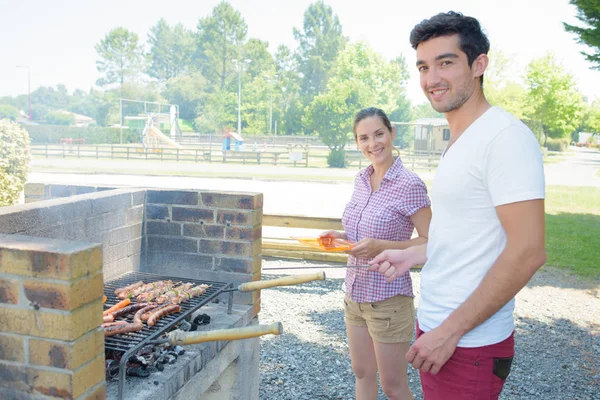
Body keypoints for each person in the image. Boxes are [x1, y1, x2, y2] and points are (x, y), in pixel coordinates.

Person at [369, 12, 546, 400]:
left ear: (479, 64)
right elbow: (467, 234)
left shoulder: (505, 138)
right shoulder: (461, 139)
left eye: (446, 62)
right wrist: (415, 253)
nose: (432, 78)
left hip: (468, 341)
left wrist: (449, 333)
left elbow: (529, 251)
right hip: (439, 328)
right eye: (423, 66)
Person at [321, 107, 432, 400]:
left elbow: (430, 241)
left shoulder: (410, 185)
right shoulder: (360, 178)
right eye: (364, 138)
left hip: (389, 300)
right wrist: (340, 238)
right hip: (355, 296)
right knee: (362, 373)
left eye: (379, 134)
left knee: (394, 387)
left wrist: (382, 246)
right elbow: (362, 235)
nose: (373, 144)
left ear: (392, 133)